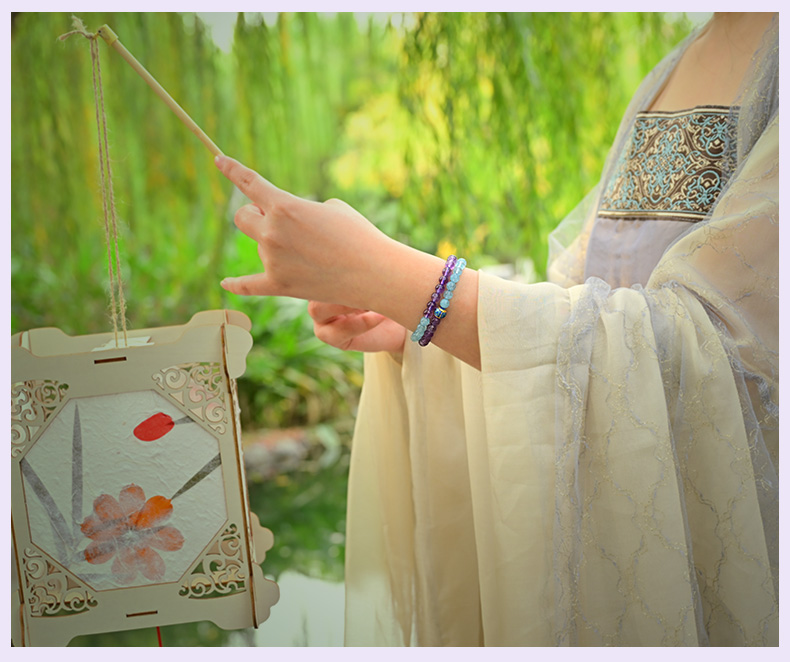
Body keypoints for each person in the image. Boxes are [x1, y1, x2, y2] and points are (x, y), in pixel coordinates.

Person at [215, 12, 778, 646]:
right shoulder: (674, 67)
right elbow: (584, 302)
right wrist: (415, 322)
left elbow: (719, 352)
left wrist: (393, 275)